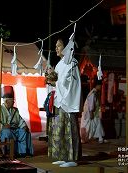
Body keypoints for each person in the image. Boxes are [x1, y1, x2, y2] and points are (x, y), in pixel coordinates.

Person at [46, 36, 82, 168]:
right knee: (59, 130)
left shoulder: (72, 63)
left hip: (68, 101)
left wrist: (56, 82)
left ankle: (72, 158)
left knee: (70, 131)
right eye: (56, 46)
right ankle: (63, 156)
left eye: (59, 46)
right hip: (59, 101)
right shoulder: (60, 63)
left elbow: (72, 84)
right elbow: (58, 81)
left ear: (66, 47)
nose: (56, 48)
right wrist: (51, 76)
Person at [0, 85, 33, 158]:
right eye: (12, 100)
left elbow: (20, 120)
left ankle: (22, 152)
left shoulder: (15, 110)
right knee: (7, 132)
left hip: (14, 130)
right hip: (2, 131)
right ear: (6, 101)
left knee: (24, 131)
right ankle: (8, 152)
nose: (14, 102)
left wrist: (24, 126)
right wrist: (3, 126)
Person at [80, 79, 108, 144]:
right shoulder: (92, 94)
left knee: (97, 124)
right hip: (90, 113)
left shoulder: (94, 93)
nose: (101, 87)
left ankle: (100, 138)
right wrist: (91, 112)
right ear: (97, 85)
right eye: (100, 86)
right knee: (88, 127)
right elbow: (91, 104)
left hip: (93, 113)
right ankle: (84, 139)